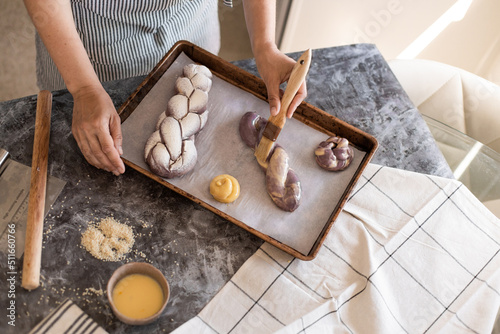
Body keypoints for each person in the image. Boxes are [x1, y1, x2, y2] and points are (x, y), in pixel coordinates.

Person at [23, 0, 307, 176]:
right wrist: (84, 87)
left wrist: (265, 44)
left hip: (192, 17)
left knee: (198, 81)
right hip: (93, 37)